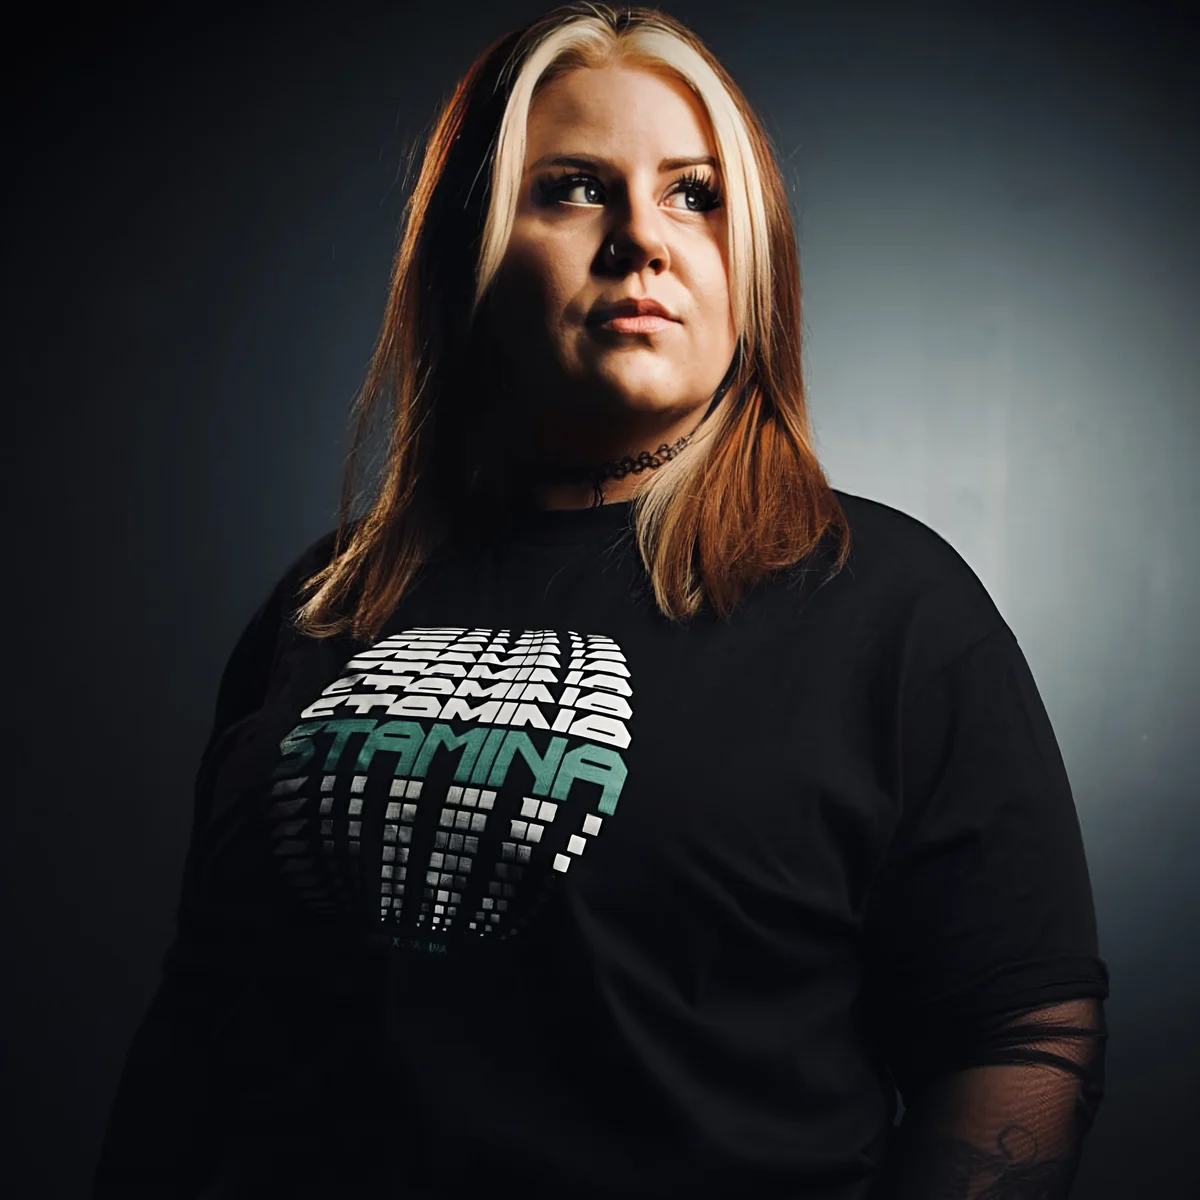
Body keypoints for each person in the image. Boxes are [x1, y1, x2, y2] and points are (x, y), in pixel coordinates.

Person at [93, 4, 1110, 1198]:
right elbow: (201, 1023)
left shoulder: (890, 607)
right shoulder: (326, 602)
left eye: (695, 195)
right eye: (574, 187)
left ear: (754, 262)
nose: (641, 240)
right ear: (468, 246)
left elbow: (1014, 1032)